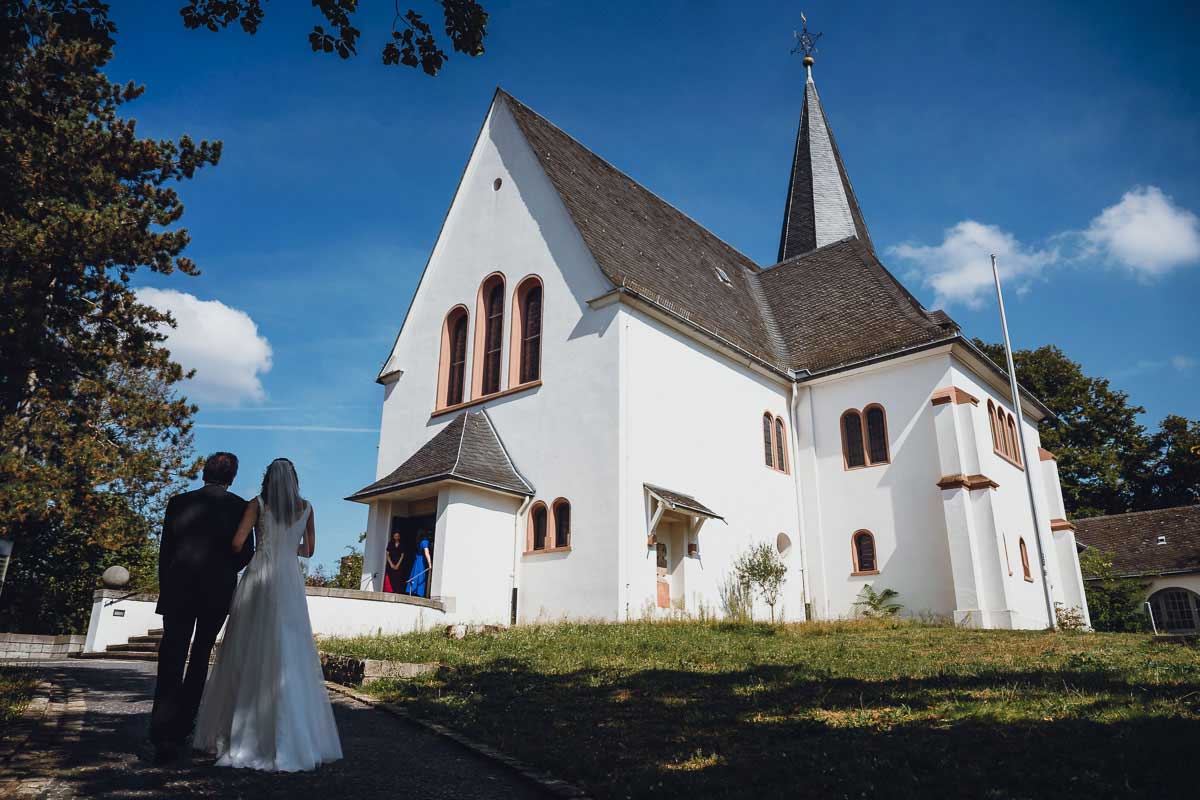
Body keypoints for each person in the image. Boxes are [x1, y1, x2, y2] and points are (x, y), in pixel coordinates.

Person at [192, 458, 342, 772]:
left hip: (260, 576)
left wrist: (263, 546)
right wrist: (287, 548)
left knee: (246, 649)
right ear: (294, 481)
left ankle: (240, 731)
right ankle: (293, 735)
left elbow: (236, 543)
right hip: (289, 579)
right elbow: (309, 550)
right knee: (288, 651)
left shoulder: (257, 503)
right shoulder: (307, 508)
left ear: (267, 480)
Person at [150, 451, 253, 764]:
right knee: (199, 657)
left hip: (178, 589)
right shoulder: (240, 507)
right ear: (232, 477)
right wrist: (226, 572)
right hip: (216, 591)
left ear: (203, 472)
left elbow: (165, 551)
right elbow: (246, 552)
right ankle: (183, 727)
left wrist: (165, 587)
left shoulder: (179, 503)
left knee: (172, 655)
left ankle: (161, 732)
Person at [405, 532, 432, 598]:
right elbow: (426, 552)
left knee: (415, 574)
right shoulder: (425, 541)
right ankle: (419, 592)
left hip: (417, 560)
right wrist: (430, 564)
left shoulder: (420, 542)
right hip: (421, 562)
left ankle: (413, 591)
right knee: (420, 576)